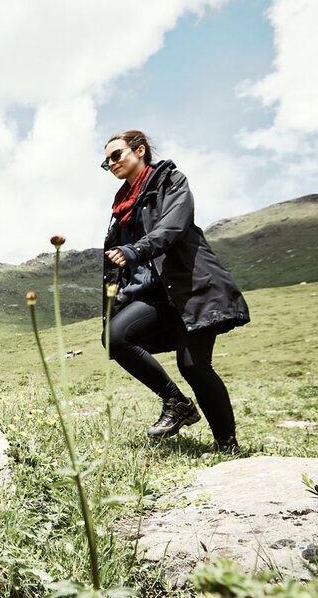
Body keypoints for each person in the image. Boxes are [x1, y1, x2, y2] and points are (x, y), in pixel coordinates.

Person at [100, 130, 249, 452]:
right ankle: (176, 402)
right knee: (115, 338)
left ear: (140, 151)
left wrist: (135, 250)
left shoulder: (171, 182)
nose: (111, 163)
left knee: (194, 366)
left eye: (116, 155)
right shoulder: (121, 208)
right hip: (153, 295)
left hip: (189, 288)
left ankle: (227, 445)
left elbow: (174, 227)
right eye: (106, 161)